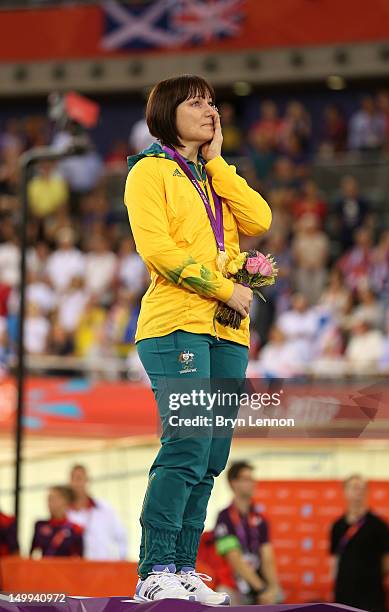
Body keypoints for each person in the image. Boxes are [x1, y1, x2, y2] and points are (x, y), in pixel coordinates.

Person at [124, 74, 271, 603]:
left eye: (212, 102)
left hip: (227, 332)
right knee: (187, 444)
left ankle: (183, 566)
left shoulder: (212, 176)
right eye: (195, 102)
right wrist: (224, 287)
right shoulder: (148, 172)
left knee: (212, 455)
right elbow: (158, 251)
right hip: (176, 324)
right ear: (168, 114)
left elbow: (260, 217)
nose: (209, 109)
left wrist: (218, 162)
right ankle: (154, 569)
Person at [214, 461, 280, 605]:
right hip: (235, 584)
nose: (252, 483)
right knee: (222, 595)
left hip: (258, 583)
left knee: (278, 596)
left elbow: (267, 557)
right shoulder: (224, 518)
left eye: (252, 479)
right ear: (233, 483)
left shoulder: (260, 519)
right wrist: (261, 589)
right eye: (246, 479)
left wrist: (273, 588)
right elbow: (234, 559)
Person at [330, 474, 389, 612]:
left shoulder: (379, 525)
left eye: (361, 488)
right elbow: (334, 559)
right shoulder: (337, 525)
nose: (358, 492)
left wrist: (369, 576)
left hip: (371, 595)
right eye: (354, 488)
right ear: (344, 492)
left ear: (367, 492)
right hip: (344, 593)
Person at [67, 464, 128, 561]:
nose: (77, 483)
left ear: (87, 480)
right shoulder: (65, 513)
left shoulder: (105, 508)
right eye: (73, 479)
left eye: (79, 478)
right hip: (77, 570)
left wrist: (121, 562)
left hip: (105, 569)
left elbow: (121, 536)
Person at [30, 485, 83, 558]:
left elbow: (78, 557)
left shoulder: (75, 529)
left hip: (64, 568)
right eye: (48, 499)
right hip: (43, 568)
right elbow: (34, 553)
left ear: (66, 502)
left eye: (53, 499)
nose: (49, 503)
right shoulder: (40, 525)